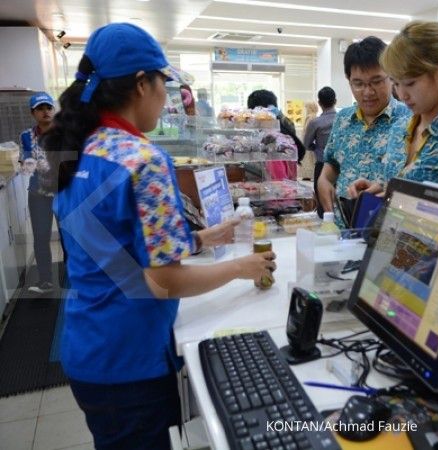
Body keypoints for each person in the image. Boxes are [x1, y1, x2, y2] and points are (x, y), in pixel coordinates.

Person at [41, 23, 276, 449]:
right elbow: (163, 281)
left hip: (87, 347)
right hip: (130, 358)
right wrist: (242, 266)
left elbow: (114, 245)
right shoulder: (145, 159)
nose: (166, 95)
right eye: (163, 83)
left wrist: (202, 239)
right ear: (140, 84)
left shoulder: (80, 148)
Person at [348, 21, 438, 198]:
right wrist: (384, 191)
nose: (402, 95)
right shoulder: (399, 129)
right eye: (395, 83)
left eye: (410, 83)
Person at [317, 36, 410, 226]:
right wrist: (324, 183)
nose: (367, 92)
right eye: (358, 83)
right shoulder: (343, 119)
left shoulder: (410, 119)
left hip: (387, 230)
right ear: (349, 81)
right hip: (343, 227)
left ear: (391, 77)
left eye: (376, 81)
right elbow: (330, 168)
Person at [20, 92, 57, 293]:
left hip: (63, 194)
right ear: (33, 113)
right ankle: (46, 281)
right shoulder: (26, 136)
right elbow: (26, 167)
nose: (45, 112)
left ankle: (75, 279)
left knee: (70, 238)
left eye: (48, 108)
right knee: (41, 238)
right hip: (38, 196)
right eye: (40, 109)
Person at [247, 89, 306, 180]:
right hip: (288, 183)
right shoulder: (285, 126)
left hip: (277, 188)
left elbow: (279, 177)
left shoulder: (271, 139)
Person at [303, 86, 337, 217]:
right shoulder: (343, 120)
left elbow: (306, 144)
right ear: (335, 101)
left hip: (322, 165)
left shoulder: (315, 123)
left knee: (323, 199)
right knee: (340, 199)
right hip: (343, 166)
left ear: (319, 102)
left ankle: (325, 226)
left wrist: (317, 148)